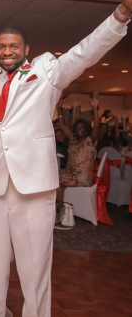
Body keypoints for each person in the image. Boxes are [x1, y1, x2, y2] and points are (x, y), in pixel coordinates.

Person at [0, 0, 132, 317]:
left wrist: (123, 13)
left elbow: (85, 52)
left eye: (14, 46)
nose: (7, 51)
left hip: (35, 188)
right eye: (1, 46)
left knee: (34, 270)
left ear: (26, 48)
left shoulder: (46, 72)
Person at [55, 94, 100, 223]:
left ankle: (58, 210)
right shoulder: (73, 140)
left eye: (82, 128)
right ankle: (57, 209)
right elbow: (62, 124)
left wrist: (95, 108)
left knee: (57, 179)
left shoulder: (90, 141)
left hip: (82, 176)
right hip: (69, 174)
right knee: (51, 177)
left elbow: (96, 126)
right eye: (78, 128)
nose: (80, 130)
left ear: (87, 130)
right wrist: (59, 108)